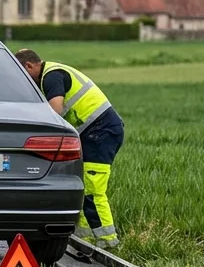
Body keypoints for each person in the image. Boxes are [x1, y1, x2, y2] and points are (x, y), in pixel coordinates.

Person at [14, 48, 124, 249]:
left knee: (92, 189)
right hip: (96, 133)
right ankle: (87, 239)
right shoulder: (53, 71)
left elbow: (56, 110)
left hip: (101, 133)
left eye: (24, 75)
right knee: (83, 187)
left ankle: (109, 242)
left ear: (29, 66)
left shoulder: (51, 77)